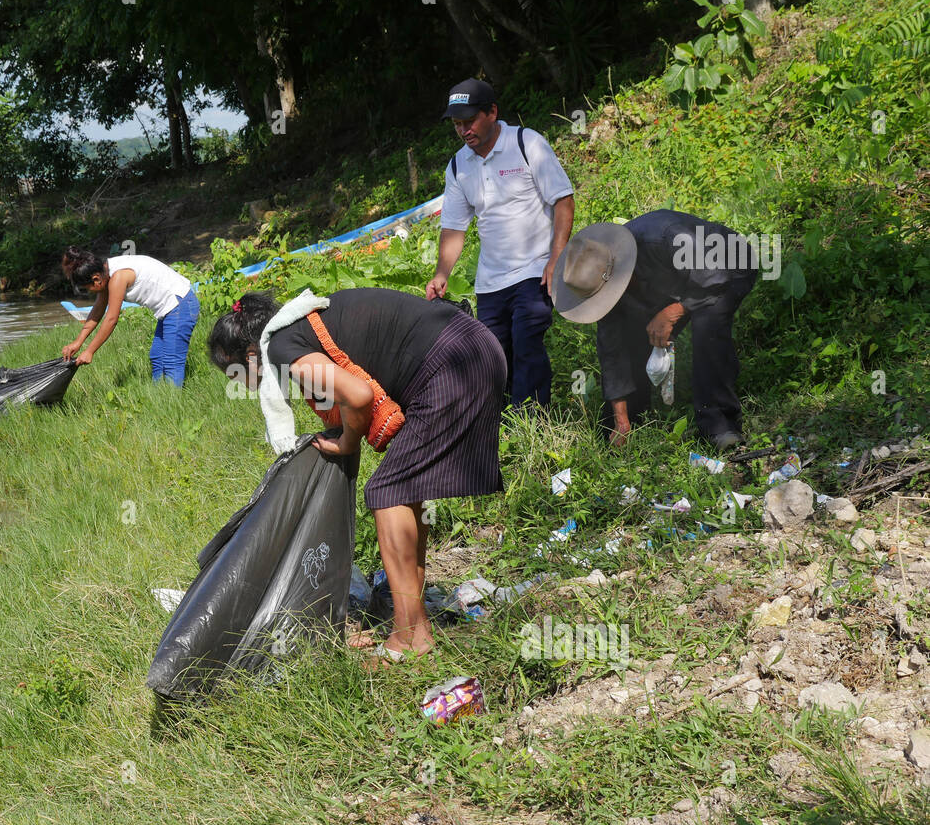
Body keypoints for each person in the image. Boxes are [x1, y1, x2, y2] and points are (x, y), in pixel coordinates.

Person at [208, 287, 505, 662]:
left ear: (251, 355)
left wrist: (349, 441)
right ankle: (415, 623)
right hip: (474, 349)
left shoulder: (282, 347)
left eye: (234, 371)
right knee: (404, 488)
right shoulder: (300, 326)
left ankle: (409, 635)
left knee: (388, 492)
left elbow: (358, 394)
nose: (238, 382)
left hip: (453, 363)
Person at [551, 210, 759, 449]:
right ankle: (630, 425)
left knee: (708, 325)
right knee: (631, 337)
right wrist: (620, 419)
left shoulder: (663, 238)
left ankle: (721, 426)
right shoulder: (597, 281)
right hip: (675, 286)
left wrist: (674, 312)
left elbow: (715, 277)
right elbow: (613, 353)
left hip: (726, 267)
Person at [427, 77, 575, 409]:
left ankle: (532, 422)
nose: (464, 130)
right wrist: (441, 274)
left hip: (534, 270)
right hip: (490, 281)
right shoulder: (458, 166)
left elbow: (563, 200)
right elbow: (453, 228)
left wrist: (556, 258)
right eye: (457, 124)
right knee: (493, 355)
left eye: (470, 121)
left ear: (492, 112)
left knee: (527, 342)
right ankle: (501, 424)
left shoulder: (527, 143)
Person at [60, 247, 200, 386]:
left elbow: (111, 319)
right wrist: (78, 342)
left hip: (180, 304)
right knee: (157, 357)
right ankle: (161, 396)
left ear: (96, 279)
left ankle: (172, 403)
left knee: (171, 361)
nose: (89, 292)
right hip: (170, 308)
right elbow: (98, 310)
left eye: (87, 288)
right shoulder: (105, 272)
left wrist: (90, 351)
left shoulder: (118, 277)